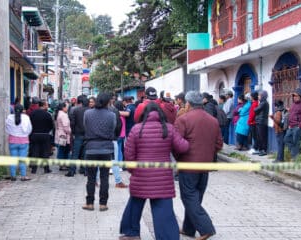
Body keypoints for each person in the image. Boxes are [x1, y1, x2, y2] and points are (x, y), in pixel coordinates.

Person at [119, 102, 189, 240]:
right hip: (162, 178)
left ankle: (131, 233)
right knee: (163, 210)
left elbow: (129, 154)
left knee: (135, 203)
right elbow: (183, 147)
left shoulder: (136, 129)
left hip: (141, 175)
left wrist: (134, 171)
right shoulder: (168, 128)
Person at [174, 91, 223, 240]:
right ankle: (189, 229)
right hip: (205, 165)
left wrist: (179, 158)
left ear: (188, 104)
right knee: (196, 197)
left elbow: (176, 144)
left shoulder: (183, 119)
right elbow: (219, 144)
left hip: (188, 164)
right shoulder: (213, 120)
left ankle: (206, 228)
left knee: (189, 197)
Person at [82, 93, 116, 211]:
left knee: (91, 177)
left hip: (91, 148)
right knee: (104, 177)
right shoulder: (111, 115)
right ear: (108, 102)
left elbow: (85, 127)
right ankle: (103, 204)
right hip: (106, 148)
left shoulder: (87, 113)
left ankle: (90, 203)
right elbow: (113, 128)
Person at [6, 104, 32, 181]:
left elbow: (7, 128)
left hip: (12, 140)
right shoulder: (26, 118)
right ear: (23, 110)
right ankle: (23, 176)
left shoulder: (9, 117)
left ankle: (13, 176)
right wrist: (25, 134)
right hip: (23, 141)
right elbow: (29, 129)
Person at [66, 95, 89, 177]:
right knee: (85, 153)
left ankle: (72, 171)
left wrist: (73, 132)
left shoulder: (76, 110)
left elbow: (72, 123)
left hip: (78, 134)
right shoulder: (90, 111)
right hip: (88, 135)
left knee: (75, 153)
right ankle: (85, 170)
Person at [284, 88, 301, 160]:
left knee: (296, 142)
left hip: (298, 127)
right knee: (286, 139)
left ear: (300, 96)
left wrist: (299, 126)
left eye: (296, 96)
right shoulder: (293, 104)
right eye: (294, 96)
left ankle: (295, 158)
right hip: (291, 127)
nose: (294, 97)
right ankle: (296, 154)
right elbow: (292, 113)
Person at [29, 100, 54, 174]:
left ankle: (34, 169)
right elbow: (51, 125)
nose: (47, 106)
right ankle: (46, 169)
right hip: (45, 135)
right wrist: (46, 130)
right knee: (45, 152)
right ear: (43, 105)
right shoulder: (47, 114)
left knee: (35, 152)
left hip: (35, 134)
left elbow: (29, 124)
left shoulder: (32, 113)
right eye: (46, 105)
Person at [54, 102, 71, 170]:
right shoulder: (64, 115)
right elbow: (66, 126)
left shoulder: (58, 113)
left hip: (60, 134)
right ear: (63, 108)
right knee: (64, 150)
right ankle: (63, 165)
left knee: (61, 149)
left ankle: (62, 165)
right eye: (67, 107)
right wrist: (70, 132)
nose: (67, 108)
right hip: (64, 135)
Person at [254, 90, 269, 156]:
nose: (258, 96)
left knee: (262, 137)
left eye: (259, 95)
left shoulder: (264, 103)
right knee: (259, 136)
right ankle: (260, 149)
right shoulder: (262, 103)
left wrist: (255, 108)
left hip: (262, 122)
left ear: (263, 96)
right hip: (259, 121)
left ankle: (263, 150)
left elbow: (256, 110)